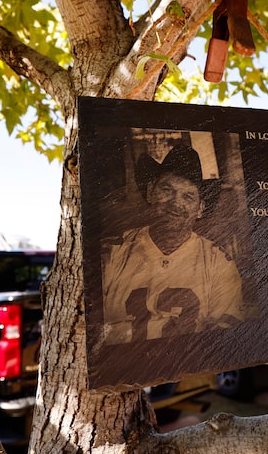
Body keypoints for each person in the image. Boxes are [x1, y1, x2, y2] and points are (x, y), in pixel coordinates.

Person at [101, 144, 244, 344]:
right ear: (151, 192)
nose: (176, 203)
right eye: (167, 190)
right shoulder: (112, 254)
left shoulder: (218, 263)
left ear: (200, 209)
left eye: (188, 196)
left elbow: (224, 342)